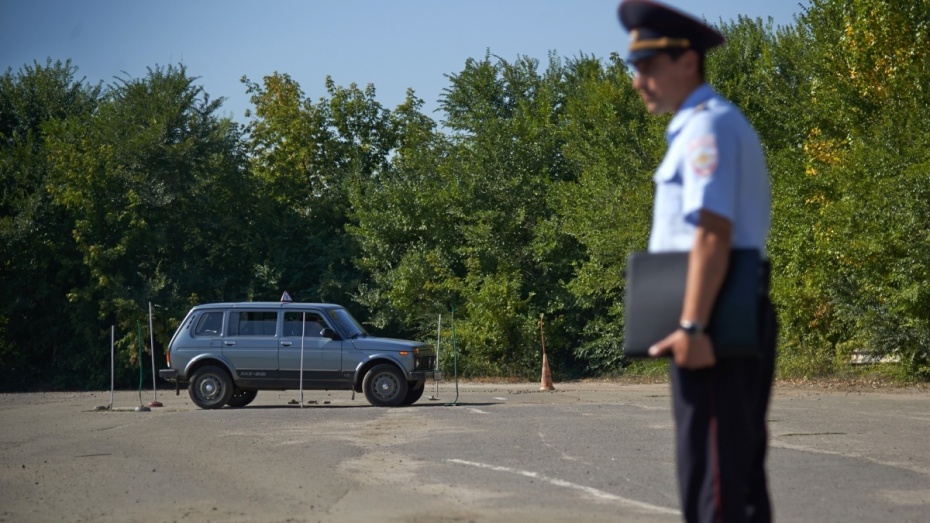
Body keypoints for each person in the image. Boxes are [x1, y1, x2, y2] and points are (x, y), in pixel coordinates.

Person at [616, 1, 778, 522]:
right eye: (633, 67)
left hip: (711, 324)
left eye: (647, 66)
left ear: (687, 61)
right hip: (718, 318)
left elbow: (712, 233)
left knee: (715, 488)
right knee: (735, 480)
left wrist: (692, 325)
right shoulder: (702, 126)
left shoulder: (707, 130)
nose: (638, 80)